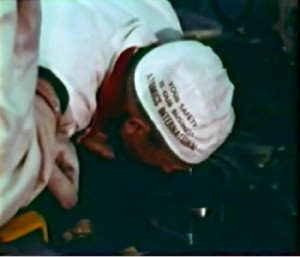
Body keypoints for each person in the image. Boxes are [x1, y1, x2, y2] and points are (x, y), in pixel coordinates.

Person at [0, 0, 235, 227]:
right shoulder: (66, 85)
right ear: (134, 128)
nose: (167, 171)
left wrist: (97, 131)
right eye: (171, 163)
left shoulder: (164, 28)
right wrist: (38, 157)